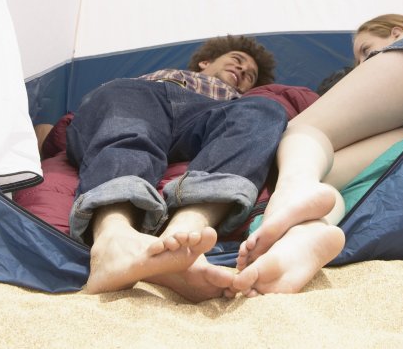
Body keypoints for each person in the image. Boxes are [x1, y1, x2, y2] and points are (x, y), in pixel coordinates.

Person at [231, 14, 403, 296]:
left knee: (303, 130)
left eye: (365, 50)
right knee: (327, 180)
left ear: (397, 32)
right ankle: (304, 239)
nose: (363, 63)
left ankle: (291, 189)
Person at [65, 35, 288, 301]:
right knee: (127, 128)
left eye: (250, 75)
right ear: (205, 62)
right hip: (144, 94)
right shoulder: (153, 77)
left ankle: (184, 239)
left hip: (208, 111)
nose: (242, 70)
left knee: (265, 111)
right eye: (237, 61)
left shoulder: (240, 99)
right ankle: (112, 241)